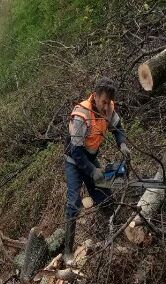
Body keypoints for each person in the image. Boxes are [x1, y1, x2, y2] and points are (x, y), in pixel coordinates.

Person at [63, 77, 131, 264]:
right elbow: (76, 152)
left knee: (105, 194)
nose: (105, 106)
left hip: (90, 158)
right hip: (74, 161)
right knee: (74, 202)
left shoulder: (108, 107)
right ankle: (67, 250)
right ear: (95, 95)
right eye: (103, 102)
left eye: (108, 102)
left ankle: (111, 234)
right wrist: (92, 171)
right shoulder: (81, 114)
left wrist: (122, 144)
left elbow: (117, 128)